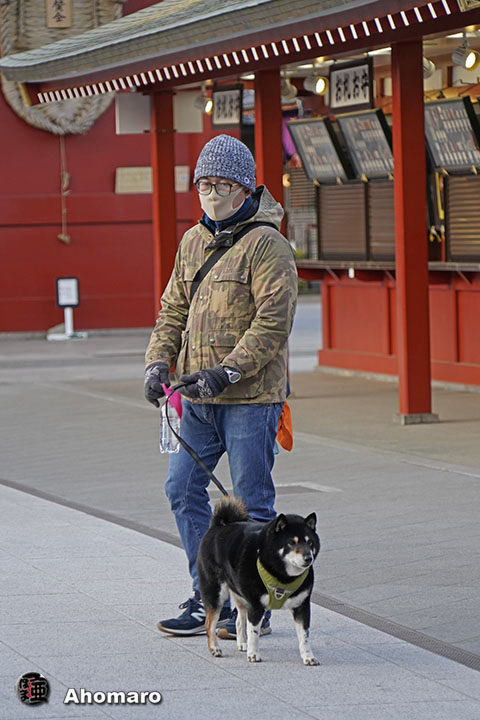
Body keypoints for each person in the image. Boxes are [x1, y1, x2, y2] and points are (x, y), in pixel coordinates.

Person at [144, 134, 298, 636]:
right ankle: (207, 594)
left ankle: (254, 605)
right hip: (196, 398)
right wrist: (157, 363)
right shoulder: (192, 241)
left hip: (251, 398)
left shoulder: (267, 244)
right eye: (204, 184)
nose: (211, 194)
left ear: (245, 188)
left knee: (251, 503)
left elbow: (273, 322)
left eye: (222, 185)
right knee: (182, 489)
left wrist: (226, 371)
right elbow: (173, 308)